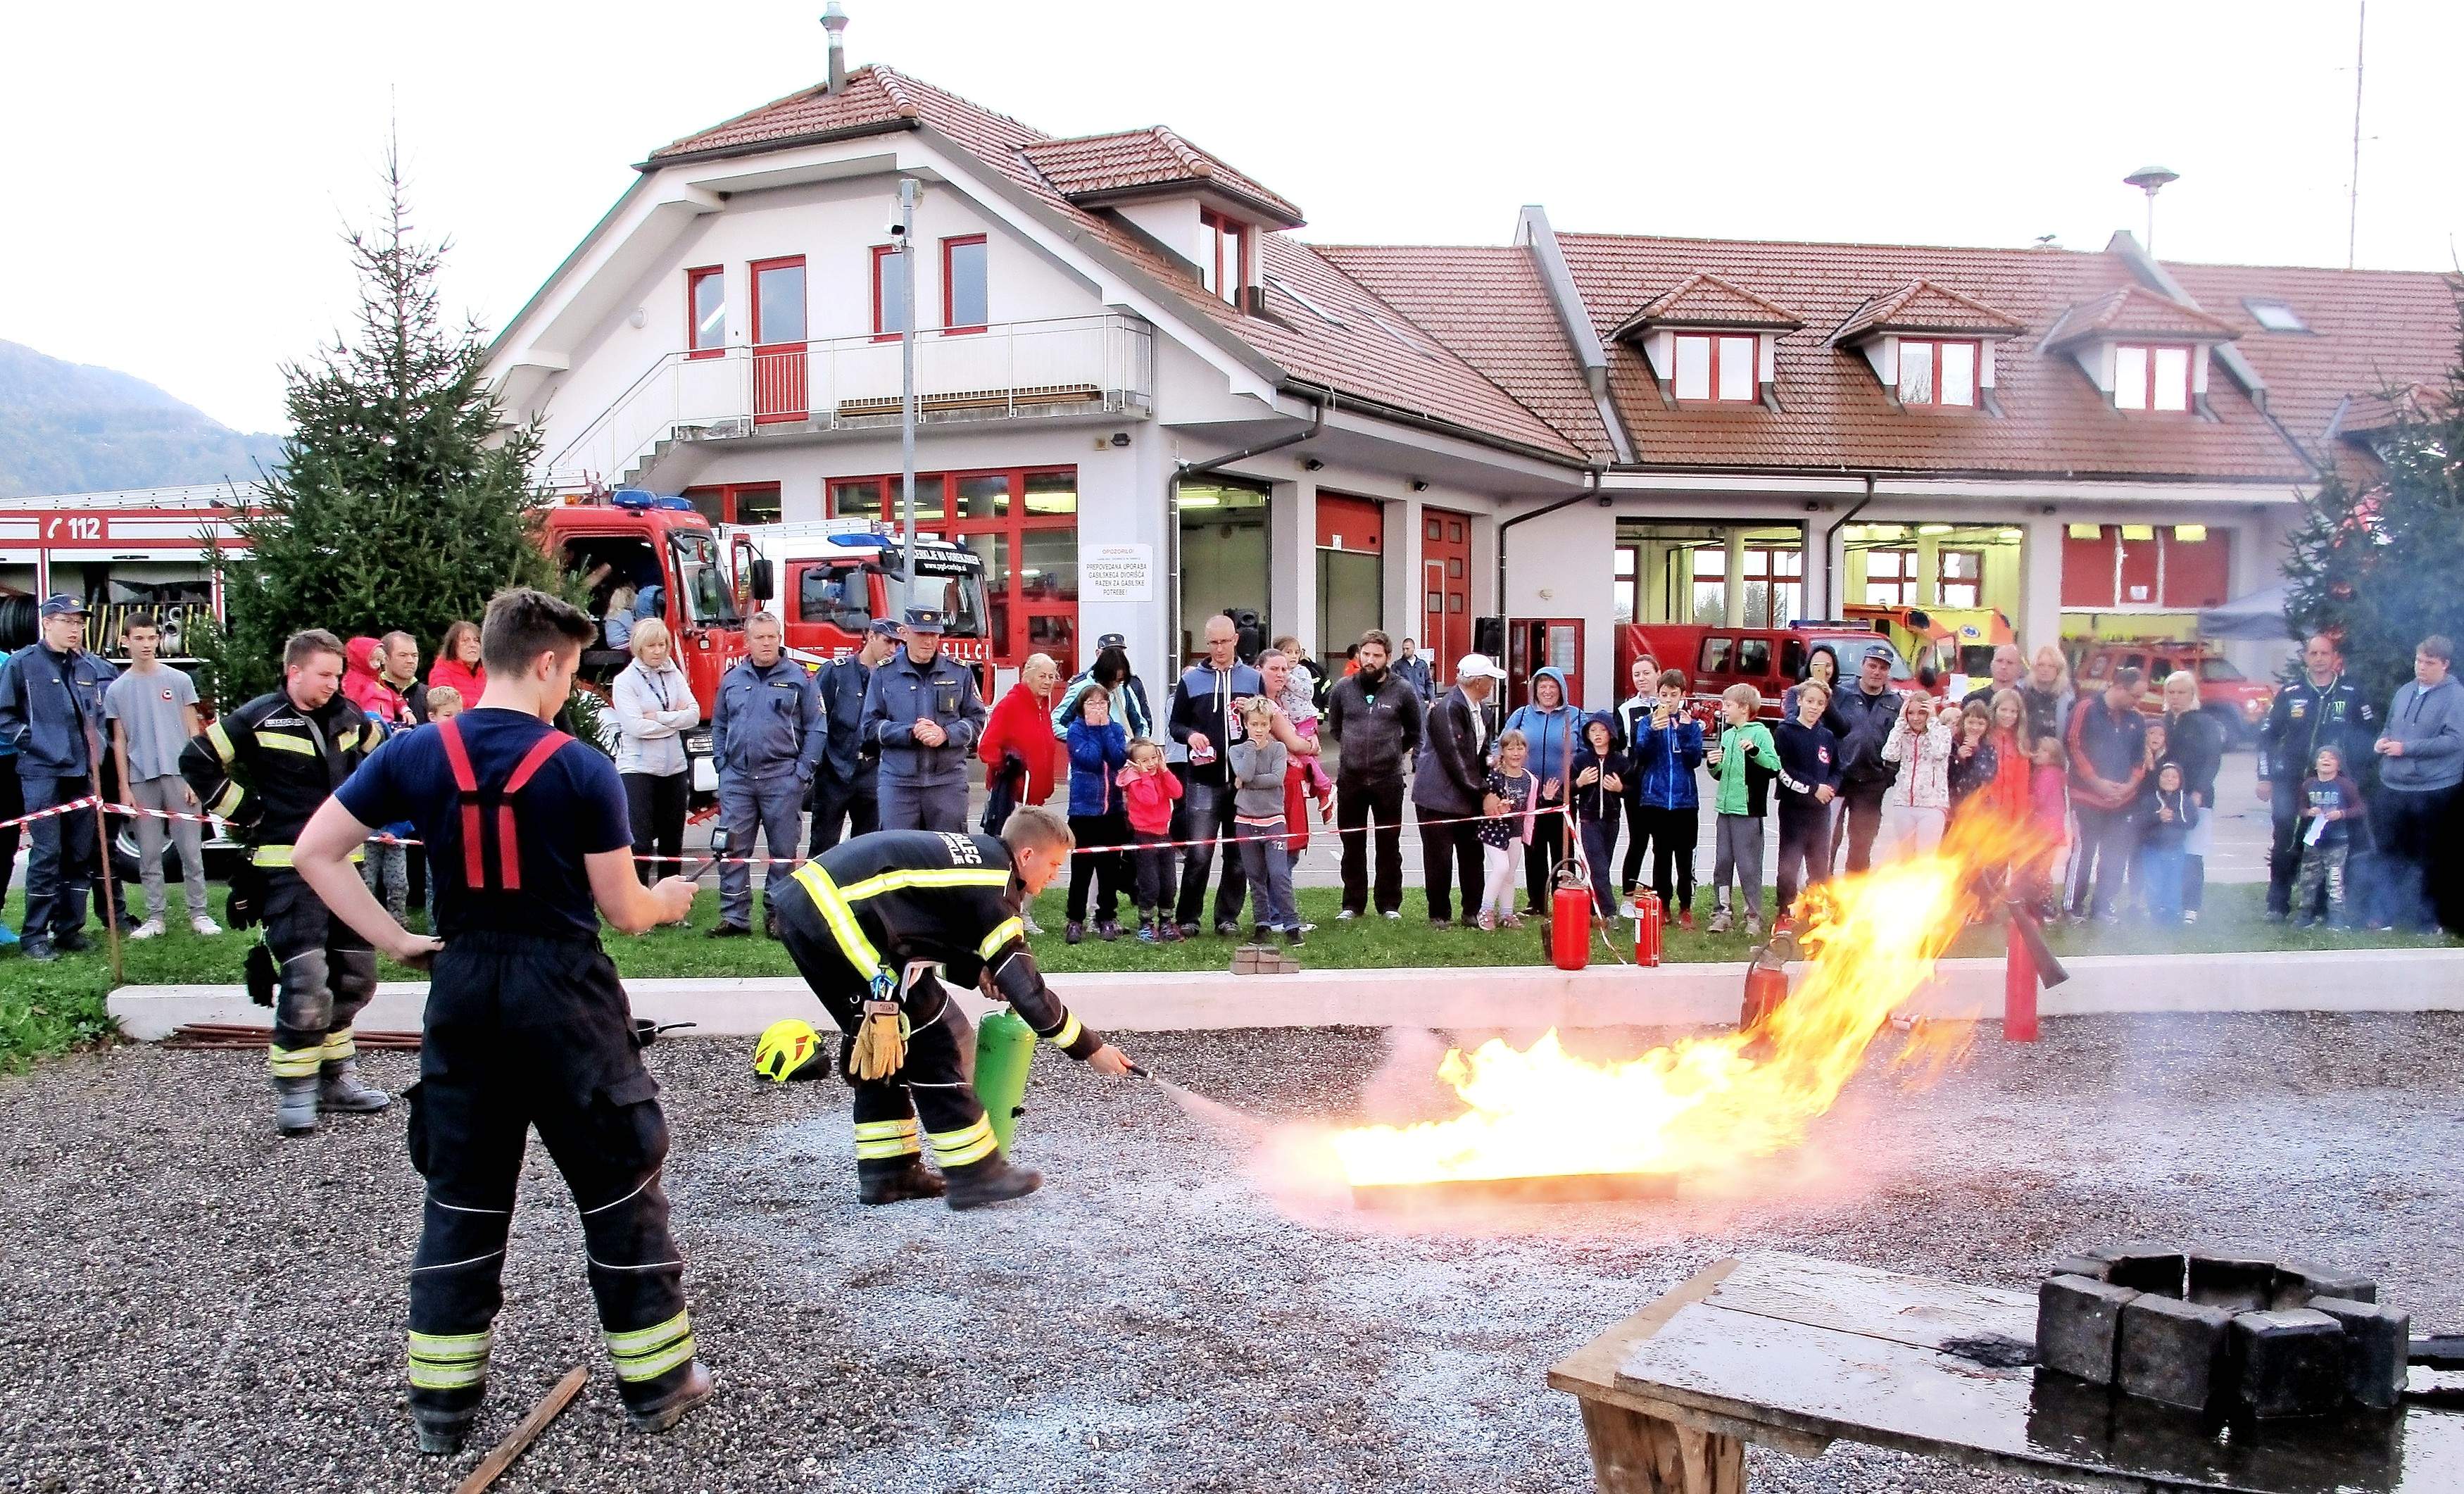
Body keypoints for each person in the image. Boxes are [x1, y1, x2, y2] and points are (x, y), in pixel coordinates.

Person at [289, 586, 711, 1455]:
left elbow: (315, 852)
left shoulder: (413, 751)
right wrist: (670, 901)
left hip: (465, 986)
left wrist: (400, 940)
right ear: (550, 662)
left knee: (463, 1194)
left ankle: (441, 1406)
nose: (571, 690)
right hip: (563, 994)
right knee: (619, 1187)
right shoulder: (580, 765)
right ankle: (659, 1384)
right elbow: (623, 910)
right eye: (572, 672)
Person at [769, 808, 1137, 1212]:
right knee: (930, 1037)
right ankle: (976, 1173)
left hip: (816, 907)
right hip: (832, 917)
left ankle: (890, 1173)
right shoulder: (997, 888)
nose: (1053, 876)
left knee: (885, 1042)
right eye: (1052, 865)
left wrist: (975, 969)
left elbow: (917, 929)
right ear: (1027, 854)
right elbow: (1027, 990)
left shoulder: (981, 863)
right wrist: (1090, 1048)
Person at [178, 629, 383, 1129]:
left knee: (356, 978)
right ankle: (295, 1090)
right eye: (324, 675)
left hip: (345, 867)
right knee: (307, 979)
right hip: (286, 868)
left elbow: (385, 757)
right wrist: (244, 810)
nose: (334, 685)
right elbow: (196, 760)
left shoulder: (350, 717)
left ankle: (335, 1079)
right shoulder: (258, 715)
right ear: (294, 672)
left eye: (339, 675)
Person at [0, 596, 118, 960]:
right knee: (47, 853)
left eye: (79, 622)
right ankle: (34, 936)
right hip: (41, 772)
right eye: (67, 621)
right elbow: (5, 716)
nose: (75, 628)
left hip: (82, 773)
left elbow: (97, 717)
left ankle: (69, 928)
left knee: (79, 853)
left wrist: (97, 751)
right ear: (47, 623)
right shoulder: (21, 664)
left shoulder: (87, 666)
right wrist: (34, 743)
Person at [710, 611, 823, 938]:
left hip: (782, 779)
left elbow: (817, 729)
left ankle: (778, 915)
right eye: (759, 637)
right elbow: (719, 724)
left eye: (772, 636)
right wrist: (722, 763)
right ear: (747, 641)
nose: (767, 643)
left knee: (783, 853)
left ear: (779, 639)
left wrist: (802, 773)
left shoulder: (801, 678)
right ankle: (734, 916)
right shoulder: (733, 679)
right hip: (738, 780)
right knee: (732, 849)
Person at [106, 612, 217, 939]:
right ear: (125, 641)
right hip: (142, 779)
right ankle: (156, 917)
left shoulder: (179, 681)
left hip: (179, 775)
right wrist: (124, 787)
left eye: (151, 638)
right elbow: (119, 740)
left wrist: (196, 778)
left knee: (190, 849)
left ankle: (199, 913)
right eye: (138, 638)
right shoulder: (117, 689)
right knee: (150, 852)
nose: (146, 645)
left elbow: (193, 731)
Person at [2256, 634, 2376, 922]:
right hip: (2290, 778)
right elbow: (2267, 737)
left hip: (2330, 783)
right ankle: (2277, 904)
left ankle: (2321, 906)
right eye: (2314, 653)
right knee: (2285, 836)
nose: (2320, 659)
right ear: (2306, 657)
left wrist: (2353, 775)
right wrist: (2265, 776)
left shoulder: (2351, 692)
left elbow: (2370, 735)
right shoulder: (2290, 692)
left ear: (2335, 657)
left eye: (2325, 653)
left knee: (2326, 841)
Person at [1168, 615, 1264, 937]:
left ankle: (1227, 917)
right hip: (1202, 779)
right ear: (1206, 644)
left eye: (1225, 642)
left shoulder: (1253, 678)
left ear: (1236, 639)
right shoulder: (1192, 680)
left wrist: (1250, 710)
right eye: (1213, 643)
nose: (1219, 648)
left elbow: (1266, 719)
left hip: (1242, 781)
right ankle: (1188, 918)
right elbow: (1175, 725)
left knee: (1238, 854)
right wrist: (1191, 735)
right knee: (1199, 852)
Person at [1324, 631, 1423, 922]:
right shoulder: (1343, 689)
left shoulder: (1403, 690)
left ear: (1387, 658)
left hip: (1388, 780)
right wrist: (1356, 750)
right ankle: (1352, 904)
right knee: (1352, 845)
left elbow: (1416, 732)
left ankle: (1389, 904)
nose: (1369, 660)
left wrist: (1393, 751)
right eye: (1365, 654)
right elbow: (1336, 729)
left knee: (1388, 844)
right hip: (1351, 780)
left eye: (1376, 656)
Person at [862, 608, 987, 834]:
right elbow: (870, 726)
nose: (929, 641)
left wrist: (945, 735)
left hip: (947, 783)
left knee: (946, 858)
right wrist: (910, 733)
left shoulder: (959, 672)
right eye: (921, 634)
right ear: (906, 633)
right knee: (898, 856)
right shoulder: (884, 674)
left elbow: (977, 720)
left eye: (934, 635)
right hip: (899, 784)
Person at [2371, 634, 2464, 931]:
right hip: (2394, 786)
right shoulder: (2404, 691)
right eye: (2418, 660)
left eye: (2429, 662)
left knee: (2430, 858)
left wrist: (2407, 749)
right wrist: (2383, 741)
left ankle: (2429, 920)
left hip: (2434, 789)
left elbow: (2455, 741)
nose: (2421, 667)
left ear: (2445, 665)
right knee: (2390, 853)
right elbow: (2390, 725)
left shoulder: (2456, 697)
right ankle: (2386, 914)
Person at [611, 617, 700, 891]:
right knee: (640, 840)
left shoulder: (674, 673)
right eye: (652, 646)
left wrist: (660, 717)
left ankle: (670, 901)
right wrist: (675, 720)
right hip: (638, 768)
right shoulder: (625, 681)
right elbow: (635, 726)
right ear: (639, 648)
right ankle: (638, 899)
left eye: (663, 644)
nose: (659, 651)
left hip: (673, 767)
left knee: (673, 838)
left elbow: (694, 715)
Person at [1414, 653, 1502, 927]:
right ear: (1477, 681)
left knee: (1472, 856)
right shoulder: (1449, 708)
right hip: (1437, 798)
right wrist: (1485, 792)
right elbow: (1456, 757)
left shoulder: (1481, 710)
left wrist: (1490, 761)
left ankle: (1472, 911)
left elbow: (1477, 752)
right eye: (1489, 679)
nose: (1492, 685)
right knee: (1439, 859)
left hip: (1467, 795)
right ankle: (1439, 914)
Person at [2065, 669, 2148, 923]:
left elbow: (2139, 758)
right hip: (2086, 796)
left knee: (2114, 854)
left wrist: (2130, 785)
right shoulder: (2086, 708)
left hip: (2122, 800)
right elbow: (2073, 743)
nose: (2137, 702)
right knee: (2084, 851)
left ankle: (2103, 906)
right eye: (2135, 696)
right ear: (2120, 687)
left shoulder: (2136, 719)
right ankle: (2072, 907)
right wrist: (2095, 781)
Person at [810, 619, 897, 857]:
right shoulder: (836, 672)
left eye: (897, 644)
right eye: (887, 641)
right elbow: (815, 720)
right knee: (823, 847)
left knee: (867, 851)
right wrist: (816, 764)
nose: (893, 649)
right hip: (834, 772)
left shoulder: (893, 678)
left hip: (873, 771)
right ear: (870, 637)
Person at [1628, 669, 1704, 927]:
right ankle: (1663, 906)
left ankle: (1686, 906)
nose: (1668, 700)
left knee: (1684, 856)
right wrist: (1651, 730)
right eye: (1664, 695)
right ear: (1657, 695)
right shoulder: (1647, 722)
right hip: (1656, 800)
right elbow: (1641, 754)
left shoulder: (1691, 725)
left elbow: (1694, 759)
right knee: (1661, 855)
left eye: (1674, 695)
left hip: (1685, 801)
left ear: (1683, 696)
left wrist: (1683, 731)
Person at [1704, 683, 1780, 936]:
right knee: (1722, 863)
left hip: (1748, 811)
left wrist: (1755, 752)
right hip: (1724, 810)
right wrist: (1713, 765)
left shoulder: (1761, 734)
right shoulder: (1727, 736)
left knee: (1748, 866)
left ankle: (1753, 916)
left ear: (1744, 708)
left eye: (1728, 705)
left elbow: (1773, 767)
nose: (1723, 709)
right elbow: (1720, 773)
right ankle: (1722, 911)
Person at [1502, 666, 1579, 915]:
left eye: (1552, 686)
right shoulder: (1522, 715)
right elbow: (1502, 743)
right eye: (1542, 686)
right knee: (1533, 849)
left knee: (1562, 849)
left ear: (1561, 690)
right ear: (1535, 690)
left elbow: (1591, 746)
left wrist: (1576, 779)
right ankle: (1537, 902)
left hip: (1562, 795)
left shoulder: (1575, 715)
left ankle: (1563, 899)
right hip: (1530, 795)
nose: (1547, 691)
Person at [1062, 683, 1131, 942]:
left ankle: (1107, 917)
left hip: (1112, 810)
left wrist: (1104, 730)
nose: (1098, 708)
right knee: (1081, 870)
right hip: (1083, 811)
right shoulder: (1076, 730)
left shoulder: (1114, 729)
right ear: (1082, 707)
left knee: (1109, 869)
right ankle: (1075, 919)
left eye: (1102, 704)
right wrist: (1095, 730)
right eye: (1092, 704)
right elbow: (1089, 759)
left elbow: (1117, 758)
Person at [1228, 699, 1300, 946]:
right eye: (1254, 724)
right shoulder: (1237, 750)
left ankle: (1291, 923)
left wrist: (1246, 782)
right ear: (1246, 725)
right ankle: (1262, 923)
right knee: (1255, 876)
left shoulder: (1278, 749)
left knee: (1279, 873)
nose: (1259, 730)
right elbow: (1245, 773)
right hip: (1245, 821)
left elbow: (1276, 778)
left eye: (1263, 724)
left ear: (1270, 725)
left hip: (1273, 821)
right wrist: (1250, 749)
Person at [1830, 647, 1906, 873]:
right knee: (1829, 839)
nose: (1877, 672)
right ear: (1862, 665)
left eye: (1883, 668)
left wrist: (1888, 775)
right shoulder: (1841, 694)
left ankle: (1854, 897)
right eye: (1872, 666)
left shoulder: (1896, 703)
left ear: (1888, 672)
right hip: (1839, 778)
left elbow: (1901, 741)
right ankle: (1821, 892)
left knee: (1861, 845)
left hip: (1872, 783)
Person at [1772, 677, 1840, 919]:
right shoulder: (1785, 732)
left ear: (1825, 707)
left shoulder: (1827, 737)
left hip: (1820, 812)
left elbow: (1837, 769)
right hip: (1794, 810)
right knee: (1789, 866)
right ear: (1799, 700)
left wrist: (1830, 787)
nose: (1814, 706)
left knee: (1819, 865)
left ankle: (1817, 912)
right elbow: (1784, 769)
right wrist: (1814, 788)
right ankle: (1785, 912)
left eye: (1820, 703)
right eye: (1810, 701)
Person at [1117, 737, 1183, 942]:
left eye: (1154, 757)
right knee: (1150, 884)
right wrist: (1145, 775)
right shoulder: (1135, 780)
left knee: (1169, 883)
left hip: (1164, 834)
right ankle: (1145, 924)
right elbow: (1150, 800)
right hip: (1144, 836)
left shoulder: (1159, 773)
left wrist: (1164, 771)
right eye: (1145, 760)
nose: (1152, 763)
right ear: (1135, 763)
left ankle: (1166, 922)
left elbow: (1177, 792)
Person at [980, 652, 1062, 817]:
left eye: (1052, 677)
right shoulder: (1009, 705)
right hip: (1011, 800)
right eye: (1042, 676)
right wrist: (1009, 768)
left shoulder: (1043, 708)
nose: (1047, 682)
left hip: (1036, 800)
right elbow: (986, 748)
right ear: (1028, 676)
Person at [1569, 712, 1630, 918]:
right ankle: (1609, 911)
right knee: (1598, 867)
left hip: (1612, 820)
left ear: (1611, 734)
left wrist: (1621, 788)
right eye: (1593, 730)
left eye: (1602, 730)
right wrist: (1580, 782)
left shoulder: (1620, 762)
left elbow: (1635, 790)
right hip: (1589, 820)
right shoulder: (1581, 760)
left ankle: (1589, 908)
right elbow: (1565, 790)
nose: (1597, 734)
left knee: (1602, 866)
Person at [1878, 694, 1954, 859]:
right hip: (1904, 803)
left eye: (1921, 713)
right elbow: (1889, 754)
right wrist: (1899, 724)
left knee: (1925, 858)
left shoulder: (1942, 732)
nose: (1916, 718)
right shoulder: (1903, 733)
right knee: (1906, 858)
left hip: (1932, 805)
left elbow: (1939, 752)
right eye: (1911, 713)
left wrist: (1933, 722)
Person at [2296, 746, 2364, 927]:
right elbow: (2300, 809)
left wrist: (2341, 814)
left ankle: (2337, 917)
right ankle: (2305, 914)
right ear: (2315, 763)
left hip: (2337, 841)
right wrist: (2309, 811)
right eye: (2322, 757)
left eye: (2331, 758)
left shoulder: (2345, 785)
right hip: (2314, 841)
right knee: (2308, 879)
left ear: (2339, 765)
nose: (2326, 761)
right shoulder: (2308, 784)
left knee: (2335, 881)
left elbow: (2359, 808)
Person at [1611, 653, 1661, 894]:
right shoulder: (1625, 709)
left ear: (1658, 674)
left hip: (1664, 784)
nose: (1641, 679)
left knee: (1663, 844)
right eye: (1636, 675)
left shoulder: (1672, 706)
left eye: (1646, 673)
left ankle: (1662, 897)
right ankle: (1628, 896)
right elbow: (1617, 747)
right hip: (1637, 786)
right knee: (1638, 840)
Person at [1477, 729, 1535, 931]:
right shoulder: (1495, 777)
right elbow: (1486, 803)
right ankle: (1485, 910)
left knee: (1510, 873)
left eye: (1520, 748)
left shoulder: (1529, 779)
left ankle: (1507, 913)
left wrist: (1546, 795)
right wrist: (1498, 808)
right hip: (1494, 830)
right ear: (1502, 751)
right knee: (1501, 867)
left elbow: (1533, 804)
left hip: (1515, 832)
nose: (1516, 753)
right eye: (1511, 748)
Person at [1050, 634, 1155, 745]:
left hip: (1121, 755)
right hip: (1089, 756)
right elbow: (1054, 723)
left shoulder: (1125, 688)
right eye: (1112, 679)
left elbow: (1141, 724)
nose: (1116, 684)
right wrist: (1081, 738)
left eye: (1120, 680)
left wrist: (1139, 746)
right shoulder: (1080, 688)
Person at [2142, 761, 2197, 927]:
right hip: (2152, 850)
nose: (2169, 779)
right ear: (2158, 778)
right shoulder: (2150, 800)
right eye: (2165, 776)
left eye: (2174, 777)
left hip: (2175, 850)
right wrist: (2158, 817)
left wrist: (2173, 818)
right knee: (2154, 882)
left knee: (2173, 882)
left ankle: (2172, 914)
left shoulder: (2185, 801)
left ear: (2181, 780)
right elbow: (2141, 820)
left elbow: (2192, 822)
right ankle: (2155, 912)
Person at [1944, 700, 1997, 822]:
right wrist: (1958, 758)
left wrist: (1976, 753)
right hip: (1953, 803)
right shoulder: (1952, 743)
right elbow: (1946, 775)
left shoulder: (1988, 747)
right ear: (1963, 723)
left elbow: (1988, 775)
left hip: (1979, 804)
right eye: (1971, 722)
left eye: (1980, 724)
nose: (1975, 727)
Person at [2020, 646, 2077, 748]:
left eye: (2051, 666)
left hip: (2054, 755)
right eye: (2041, 665)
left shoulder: (2068, 699)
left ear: (2059, 670)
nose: (2045, 670)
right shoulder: (2021, 692)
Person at [430, 620, 486, 701]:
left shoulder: (488, 674)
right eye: (465, 641)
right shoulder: (441, 673)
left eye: (476, 640)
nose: (473, 645)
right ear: (453, 646)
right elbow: (448, 705)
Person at [1961, 644, 2026, 713]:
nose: (2004, 667)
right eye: (1999, 661)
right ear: (1991, 664)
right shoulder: (1973, 700)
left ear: (2019, 669)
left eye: (2010, 663)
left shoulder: (2028, 701)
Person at [1393, 636, 1435, 702]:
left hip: (1420, 700)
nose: (1405, 651)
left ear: (1413, 648)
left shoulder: (1422, 665)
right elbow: (1393, 684)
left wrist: (1432, 700)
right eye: (1403, 649)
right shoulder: (1397, 665)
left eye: (1407, 649)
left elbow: (1429, 683)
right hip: (1405, 701)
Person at [603, 585, 636, 650]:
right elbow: (632, 631)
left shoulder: (611, 613)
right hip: (623, 643)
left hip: (612, 645)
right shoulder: (625, 613)